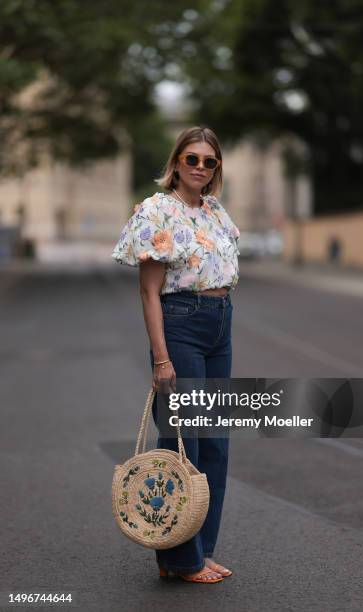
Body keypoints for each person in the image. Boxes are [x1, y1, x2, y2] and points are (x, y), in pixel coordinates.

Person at [111, 125, 240, 583]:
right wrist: (161, 359)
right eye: (192, 159)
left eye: (209, 161)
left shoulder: (215, 211)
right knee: (186, 443)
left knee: (217, 446)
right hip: (181, 324)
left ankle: (197, 551)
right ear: (176, 162)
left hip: (220, 323)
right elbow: (149, 293)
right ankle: (180, 560)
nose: (200, 168)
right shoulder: (156, 211)